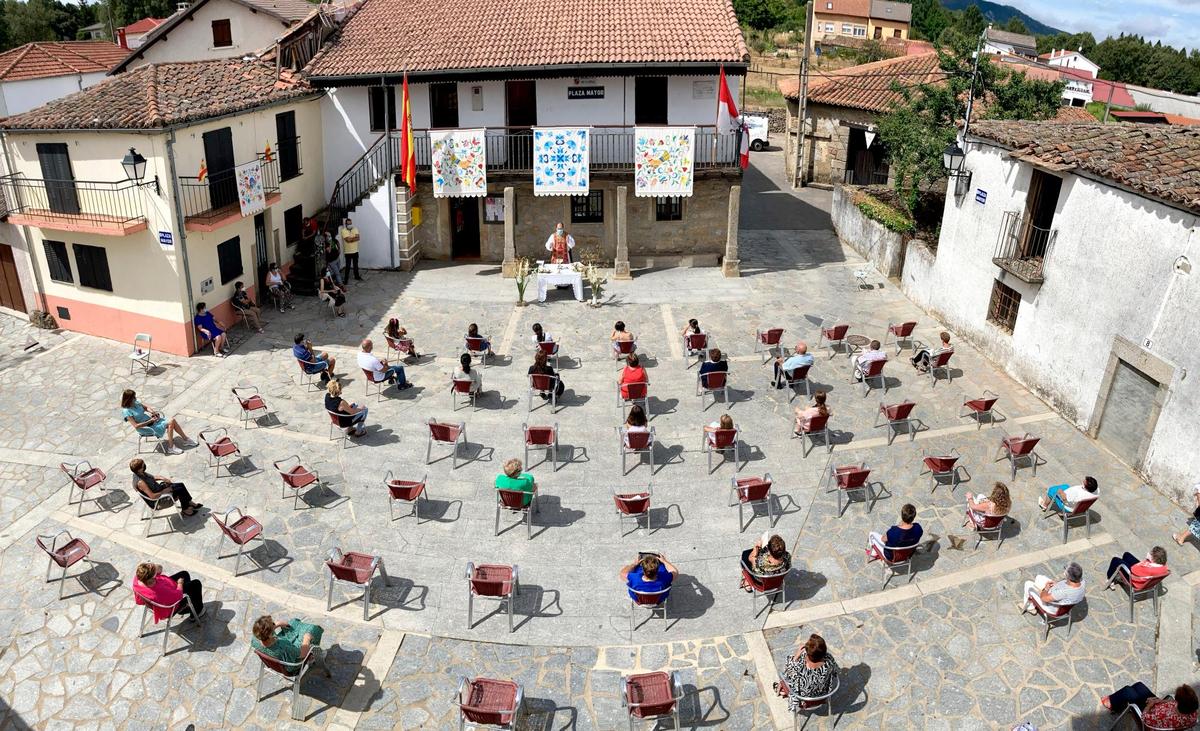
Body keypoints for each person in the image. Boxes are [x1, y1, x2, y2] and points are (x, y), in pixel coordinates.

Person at [252, 615, 331, 677]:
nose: (274, 624)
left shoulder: (255, 640)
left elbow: (266, 636)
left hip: (276, 662)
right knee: (314, 630)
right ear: (269, 634)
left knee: (293, 622)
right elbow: (302, 654)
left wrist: (277, 625)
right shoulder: (283, 647)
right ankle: (311, 658)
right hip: (292, 667)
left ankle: (310, 657)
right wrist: (306, 639)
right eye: (273, 624)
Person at [778, 634, 839, 712]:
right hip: (822, 697)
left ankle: (781, 689)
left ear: (807, 652)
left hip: (803, 701)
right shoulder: (829, 661)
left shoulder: (799, 668)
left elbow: (787, 671)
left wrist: (796, 656)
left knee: (784, 678)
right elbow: (835, 672)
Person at [121, 389, 192, 454]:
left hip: (151, 422)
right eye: (134, 398)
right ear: (129, 399)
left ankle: (181, 441)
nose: (135, 398)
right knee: (171, 422)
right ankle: (173, 446)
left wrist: (153, 412)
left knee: (172, 421)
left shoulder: (136, 403)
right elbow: (136, 426)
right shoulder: (127, 411)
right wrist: (150, 421)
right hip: (145, 428)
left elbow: (146, 408)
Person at [1102, 682, 1198, 728]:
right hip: (1157, 706)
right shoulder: (1193, 714)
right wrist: (1158, 701)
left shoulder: (1163, 717)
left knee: (1128, 691)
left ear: (1180, 703)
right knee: (1139, 686)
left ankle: (1112, 703)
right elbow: (1172, 703)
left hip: (1147, 714)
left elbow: (1144, 719)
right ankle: (1117, 702)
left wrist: (1150, 705)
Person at [133, 562, 205, 620]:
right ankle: (197, 611)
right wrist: (180, 584)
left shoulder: (138, 579)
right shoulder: (160, 591)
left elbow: (160, 569)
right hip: (171, 606)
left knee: (184, 574)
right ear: (153, 577)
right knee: (196, 584)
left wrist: (153, 568)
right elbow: (178, 596)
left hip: (164, 591)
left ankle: (190, 603)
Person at [130, 458, 201, 516]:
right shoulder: (140, 482)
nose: (144, 466)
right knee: (180, 490)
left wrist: (162, 478)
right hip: (158, 501)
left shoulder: (140, 473)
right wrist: (164, 491)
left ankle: (189, 502)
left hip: (159, 490)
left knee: (180, 485)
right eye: (143, 465)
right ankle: (186, 509)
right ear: (139, 469)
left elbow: (152, 478)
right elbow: (152, 496)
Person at [1019, 562, 1085, 615]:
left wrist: (1046, 589)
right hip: (1059, 597)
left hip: (1052, 607)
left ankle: (1030, 608)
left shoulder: (1062, 592)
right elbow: (1067, 587)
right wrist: (1057, 585)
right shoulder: (1082, 581)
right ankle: (1032, 603)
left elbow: (1044, 598)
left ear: (1069, 577)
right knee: (1039, 577)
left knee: (1028, 584)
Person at [339, 216, 362, 281]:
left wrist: (350, 239)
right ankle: (346, 279)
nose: (350, 225)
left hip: (355, 250)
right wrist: (354, 238)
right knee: (348, 266)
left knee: (356, 265)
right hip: (348, 252)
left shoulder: (355, 229)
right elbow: (347, 240)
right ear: (346, 224)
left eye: (350, 223)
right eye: (348, 224)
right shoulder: (343, 230)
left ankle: (357, 276)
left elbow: (358, 238)